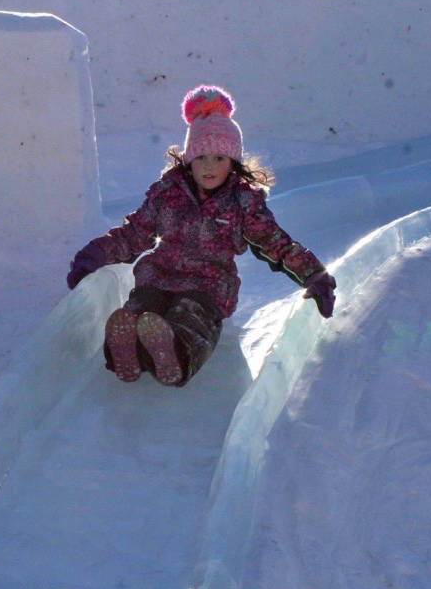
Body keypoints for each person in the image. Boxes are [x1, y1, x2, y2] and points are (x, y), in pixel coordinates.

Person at [67, 85, 336, 387]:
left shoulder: (243, 202)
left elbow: (276, 243)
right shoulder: (166, 193)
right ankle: (126, 352)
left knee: (191, 318)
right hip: (158, 277)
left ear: (232, 161)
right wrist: (96, 255)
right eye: (202, 157)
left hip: (208, 286)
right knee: (140, 309)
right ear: (189, 159)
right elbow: (134, 233)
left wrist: (314, 275)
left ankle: (175, 354)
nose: (209, 166)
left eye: (219, 158)